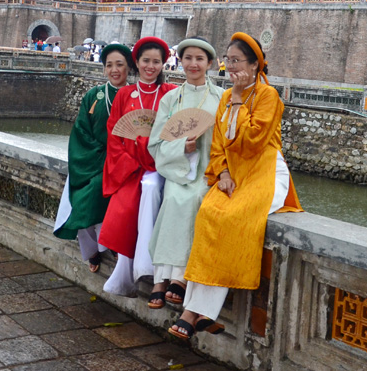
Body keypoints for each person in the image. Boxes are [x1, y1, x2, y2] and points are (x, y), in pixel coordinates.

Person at [169, 32, 302, 340]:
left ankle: (194, 312)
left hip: (265, 172)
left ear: (255, 65)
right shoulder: (227, 98)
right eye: (228, 61)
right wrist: (223, 172)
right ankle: (198, 312)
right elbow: (220, 144)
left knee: (232, 220)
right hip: (235, 174)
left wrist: (241, 99)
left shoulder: (267, 96)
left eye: (237, 61)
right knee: (209, 214)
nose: (231, 67)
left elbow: (253, 141)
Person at [146, 37, 222, 309]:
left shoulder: (221, 99)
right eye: (187, 58)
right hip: (178, 168)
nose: (193, 64)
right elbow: (156, 143)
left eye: (199, 59)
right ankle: (166, 277)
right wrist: (182, 146)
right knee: (175, 198)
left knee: (195, 199)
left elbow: (228, 141)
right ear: (180, 61)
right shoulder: (170, 98)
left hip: (207, 170)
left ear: (210, 64)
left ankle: (172, 278)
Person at [99, 36, 176, 296]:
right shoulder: (124, 94)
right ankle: (125, 267)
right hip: (130, 166)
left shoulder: (171, 94)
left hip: (159, 164)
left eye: (156, 62)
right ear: (137, 62)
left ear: (163, 64)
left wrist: (153, 157)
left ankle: (143, 265)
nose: (150, 66)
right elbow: (115, 134)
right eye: (146, 61)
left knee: (151, 187)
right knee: (127, 201)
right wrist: (132, 162)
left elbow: (175, 133)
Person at [53, 43, 133, 273]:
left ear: (129, 66)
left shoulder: (135, 95)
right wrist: (101, 156)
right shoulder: (94, 95)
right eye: (109, 65)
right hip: (94, 161)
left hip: (125, 163)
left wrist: (121, 158)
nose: (115, 70)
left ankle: (115, 244)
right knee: (86, 197)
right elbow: (81, 132)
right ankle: (92, 251)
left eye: (120, 64)